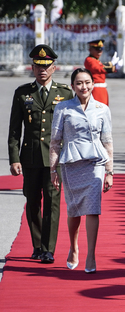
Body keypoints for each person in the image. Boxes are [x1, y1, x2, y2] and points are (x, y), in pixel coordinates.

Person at [8, 44, 74, 263]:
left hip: (56, 158)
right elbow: (15, 130)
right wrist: (14, 158)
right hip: (31, 157)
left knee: (53, 203)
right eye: (38, 66)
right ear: (32, 67)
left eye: (46, 66)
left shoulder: (64, 93)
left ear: (54, 68)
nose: (42, 70)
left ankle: (48, 249)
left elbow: (70, 128)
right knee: (33, 201)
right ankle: (37, 244)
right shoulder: (22, 93)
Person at [49, 68, 113, 273]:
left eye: (87, 82)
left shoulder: (102, 109)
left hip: (95, 163)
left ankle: (91, 254)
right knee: (74, 209)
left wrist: (110, 171)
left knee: (93, 209)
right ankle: (73, 247)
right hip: (71, 164)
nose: (83, 87)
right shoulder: (63, 108)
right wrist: (53, 169)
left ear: (93, 84)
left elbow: (108, 142)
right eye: (79, 83)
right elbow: (55, 141)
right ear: (72, 86)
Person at [84, 39, 115, 106]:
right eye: (97, 49)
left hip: (102, 89)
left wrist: (115, 66)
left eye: (101, 49)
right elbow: (98, 69)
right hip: (96, 89)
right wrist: (112, 65)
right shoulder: (89, 60)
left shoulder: (96, 60)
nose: (99, 51)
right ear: (90, 49)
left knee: (104, 109)